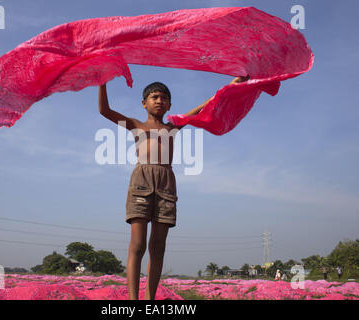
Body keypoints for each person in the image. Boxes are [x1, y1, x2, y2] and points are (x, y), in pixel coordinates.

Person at [98, 76, 249, 300]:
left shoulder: (173, 127)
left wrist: (232, 85)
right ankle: (133, 301)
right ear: (144, 103)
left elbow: (203, 107)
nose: (159, 101)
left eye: (164, 98)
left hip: (166, 183)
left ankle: (149, 300)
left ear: (169, 105)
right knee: (137, 246)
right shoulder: (135, 125)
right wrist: (102, 80)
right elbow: (105, 110)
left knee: (158, 247)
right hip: (142, 181)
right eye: (154, 97)